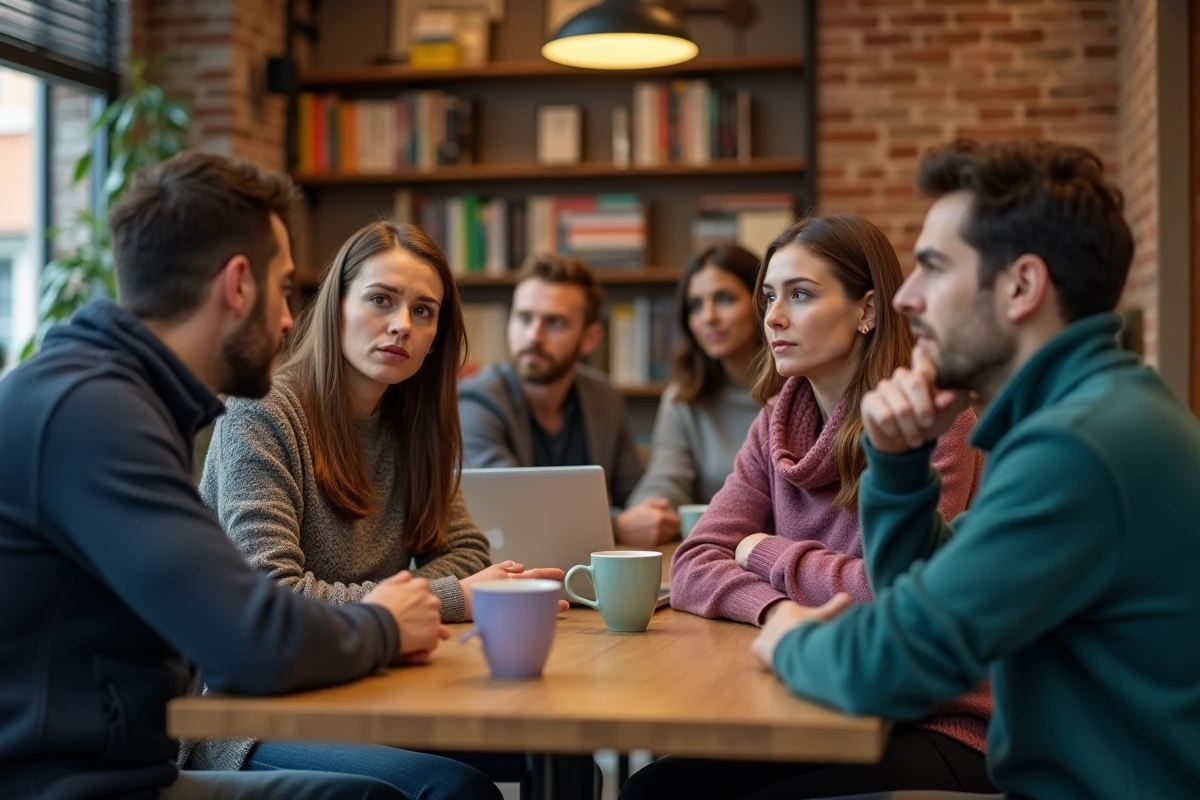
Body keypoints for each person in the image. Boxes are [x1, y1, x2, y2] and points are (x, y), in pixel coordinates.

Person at [751, 140, 1200, 799]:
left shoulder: (1081, 447)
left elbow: (902, 662)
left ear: (1021, 286)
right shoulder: (1089, 414)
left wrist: (785, 637)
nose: (905, 298)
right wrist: (900, 468)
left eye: (932, 267)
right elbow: (921, 591)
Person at [0, 152, 450, 799]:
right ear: (238, 285)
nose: (293, 319)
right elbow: (248, 639)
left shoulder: (115, 399)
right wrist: (382, 623)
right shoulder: (91, 414)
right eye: (285, 289)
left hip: (124, 771)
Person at [184, 220, 567, 794]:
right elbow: (274, 598)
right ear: (335, 306)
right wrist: (442, 600)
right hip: (250, 713)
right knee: (454, 788)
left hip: (366, 683)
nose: (400, 326)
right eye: (380, 300)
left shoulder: (413, 425)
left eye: (423, 311)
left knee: (551, 750)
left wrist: (415, 605)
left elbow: (466, 551)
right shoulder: (259, 413)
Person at [622, 214, 991, 799]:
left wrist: (765, 551)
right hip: (823, 694)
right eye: (769, 295)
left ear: (868, 310)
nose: (772, 317)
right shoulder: (776, 422)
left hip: (940, 719)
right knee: (654, 790)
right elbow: (693, 562)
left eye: (800, 294)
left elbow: (892, 594)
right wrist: (775, 613)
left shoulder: (933, 425)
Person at [459, 254, 662, 545]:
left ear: (590, 338)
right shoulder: (476, 399)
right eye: (524, 318)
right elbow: (513, 508)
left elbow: (632, 489)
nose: (533, 336)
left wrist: (649, 511)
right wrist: (617, 525)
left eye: (554, 322)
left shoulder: (603, 397)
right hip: (513, 571)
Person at [624, 244, 763, 532]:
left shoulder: (803, 389)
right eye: (696, 305)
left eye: (724, 299)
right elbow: (665, 482)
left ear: (762, 302)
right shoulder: (684, 397)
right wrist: (649, 511)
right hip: (718, 556)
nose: (708, 317)